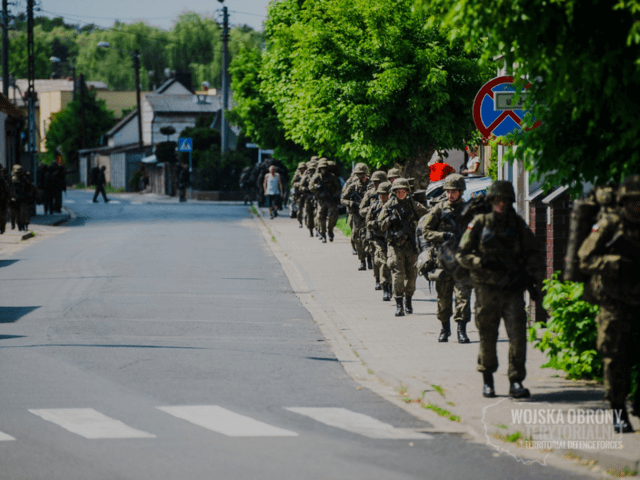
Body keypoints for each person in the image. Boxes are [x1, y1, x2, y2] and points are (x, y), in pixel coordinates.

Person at [456, 181, 544, 399]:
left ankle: (516, 380)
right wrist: (480, 263)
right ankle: (488, 380)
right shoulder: (480, 223)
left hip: (512, 290)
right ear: (491, 201)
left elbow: (533, 254)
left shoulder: (517, 225)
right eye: (497, 200)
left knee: (517, 337)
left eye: (505, 200)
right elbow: (462, 254)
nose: (502, 204)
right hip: (486, 290)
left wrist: (535, 282)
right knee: (487, 336)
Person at [577, 175, 640, 433]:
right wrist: (613, 263)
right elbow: (585, 258)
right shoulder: (609, 225)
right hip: (614, 303)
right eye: (632, 201)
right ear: (624, 201)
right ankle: (618, 411)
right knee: (615, 358)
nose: (637, 206)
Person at [421, 174, 472, 343]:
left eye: (454, 192)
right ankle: (445, 329)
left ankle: (461, 330)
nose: (451, 195)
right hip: (443, 261)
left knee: (463, 298)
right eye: (448, 191)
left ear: (460, 191)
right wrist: (443, 235)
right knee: (443, 299)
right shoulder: (439, 210)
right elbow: (426, 232)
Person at [378, 178, 428, 316]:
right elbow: (380, 226)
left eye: (403, 191)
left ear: (407, 191)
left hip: (411, 246)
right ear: (394, 192)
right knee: (398, 275)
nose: (400, 194)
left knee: (411, 276)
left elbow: (427, 217)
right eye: (398, 191)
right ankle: (399, 304)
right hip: (395, 246)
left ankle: (409, 301)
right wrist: (390, 220)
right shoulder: (388, 206)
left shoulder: (413, 205)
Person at [360, 170, 388, 288]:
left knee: (388, 260)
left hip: (388, 231)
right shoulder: (370, 193)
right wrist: (371, 209)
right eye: (374, 182)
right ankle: (377, 278)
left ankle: (388, 282)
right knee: (376, 257)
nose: (375, 185)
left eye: (378, 182)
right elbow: (361, 210)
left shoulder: (390, 192)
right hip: (374, 230)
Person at [366, 181, 393, 301]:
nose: (382, 197)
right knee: (383, 263)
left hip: (393, 239)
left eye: (385, 194)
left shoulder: (394, 206)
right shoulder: (374, 207)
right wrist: (376, 224)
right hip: (379, 239)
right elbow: (367, 222)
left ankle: (395, 287)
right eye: (380, 194)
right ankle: (385, 287)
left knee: (394, 264)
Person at [341, 163, 370, 270]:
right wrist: (353, 204)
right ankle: (362, 260)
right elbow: (343, 199)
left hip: (369, 214)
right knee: (358, 239)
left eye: (362, 174)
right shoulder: (353, 186)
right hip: (357, 215)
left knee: (369, 237)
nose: (360, 176)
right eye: (358, 174)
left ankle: (370, 258)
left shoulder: (372, 185)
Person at [310, 158, 342, 242]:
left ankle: (330, 230)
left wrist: (335, 195)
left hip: (330, 200)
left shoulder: (332, 177)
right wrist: (316, 187)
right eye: (322, 168)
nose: (323, 170)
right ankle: (323, 234)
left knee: (333, 215)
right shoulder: (316, 177)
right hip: (321, 200)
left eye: (325, 168)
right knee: (321, 217)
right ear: (319, 168)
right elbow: (310, 187)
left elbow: (339, 188)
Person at [291, 162, 307, 228]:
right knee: (299, 210)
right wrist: (299, 184)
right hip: (299, 194)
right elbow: (293, 183)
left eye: (304, 168)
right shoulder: (297, 175)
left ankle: (307, 221)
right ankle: (300, 221)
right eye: (301, 168)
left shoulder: (307, 174)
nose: (303, 170)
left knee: (307, 209)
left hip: (306, 193)